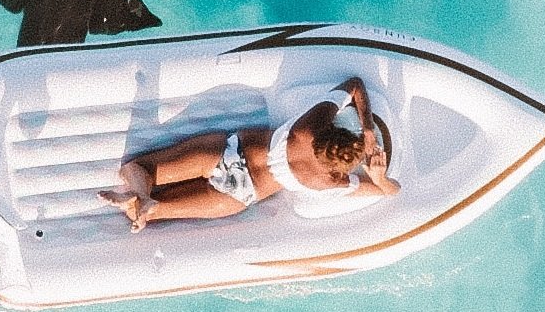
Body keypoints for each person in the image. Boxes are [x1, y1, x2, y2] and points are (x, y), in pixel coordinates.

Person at [99, 77, 399, 231]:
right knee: (156, 212)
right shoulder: (329, 183)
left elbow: (356, 85)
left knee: (137, 168)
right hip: (242, 194)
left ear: (335, 132)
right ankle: (143, 205)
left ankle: (140, 192)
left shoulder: (311, 124)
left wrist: (368, 128)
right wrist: (378, 176)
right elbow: (389, 192)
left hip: (229, 152)